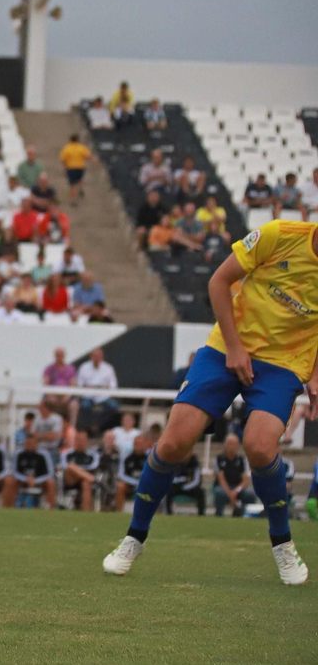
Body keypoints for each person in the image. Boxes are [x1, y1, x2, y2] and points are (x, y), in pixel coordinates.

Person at [104, 222, 310, 583]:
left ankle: (282, 543)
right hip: (227, 347)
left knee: (259, 448)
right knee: (172, 443)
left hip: (283, 364)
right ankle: (134, 537)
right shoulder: (281, 234)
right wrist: (233, 346)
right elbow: (218, 281)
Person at [6, 431, 55, 509]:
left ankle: (52, 509)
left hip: (39, 481)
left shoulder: (44, 454)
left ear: (36, 444)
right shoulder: (18, 454)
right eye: (28, 443)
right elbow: (13, 471)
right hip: (22, 480)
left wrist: (35, 480)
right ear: (24, 443)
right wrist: (26, 479)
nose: (30, 445)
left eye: (32, 443)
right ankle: (7, 508)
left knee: (51, 482)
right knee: (9, 481)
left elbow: (50, 473)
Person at [214, 433, 256, 518]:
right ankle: (218, 516)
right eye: (228, 443)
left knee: (250, 495)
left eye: (233, 444)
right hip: (224, 488)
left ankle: (245, 515)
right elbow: (221, 479)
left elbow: (245, 481)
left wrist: (236, 491)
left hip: (237, 488)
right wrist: (230, 494)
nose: (230, 446)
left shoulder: (242, 460)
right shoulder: (218, 459)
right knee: (219, 493)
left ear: (237, 446)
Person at [60, 429, 101, 511]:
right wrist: (77, 470)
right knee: (71, 466)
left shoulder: (93, 455)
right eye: (78, 439)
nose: (80, 442)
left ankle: (86, 512)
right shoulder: (66, 454)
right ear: (74, 440)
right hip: (70, 480)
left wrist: (78, 470)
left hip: (86, 481)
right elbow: (64, 466)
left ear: (87, 441)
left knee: (86, 483)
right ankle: (92, 479)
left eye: (82, 439)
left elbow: (93, 467)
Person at [60, 133, 91, 204]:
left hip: (71, 168)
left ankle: (73, 199)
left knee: (72, 184)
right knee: (80, 179)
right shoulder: (81, 147)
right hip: (80, 167)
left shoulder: (67, 148)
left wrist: (65, 167)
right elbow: (87, 156)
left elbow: (62, 159)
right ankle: (81, 188)